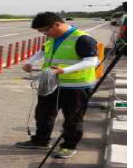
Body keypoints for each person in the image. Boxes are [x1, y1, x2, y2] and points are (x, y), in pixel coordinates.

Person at [16, 12, 99, 159]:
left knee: (72, 118)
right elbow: (42, 51)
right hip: (51, 83)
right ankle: (41, 141)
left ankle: (68, 146)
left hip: (75, 87)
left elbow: (91, 61)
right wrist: (30, 62)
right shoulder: (52, 37)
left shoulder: (82, 38)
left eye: (45, 30)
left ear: (57, 24)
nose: (44, 33)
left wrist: (63, 70)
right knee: (43, 114)